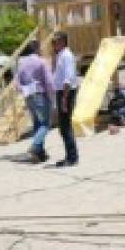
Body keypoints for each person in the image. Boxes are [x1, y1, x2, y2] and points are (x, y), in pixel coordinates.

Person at [15, 39, 53, 162]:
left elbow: (17, 83)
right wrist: (51, 94)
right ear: (37, 49)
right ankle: (35, 146)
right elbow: (48, 81)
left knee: (37, 123)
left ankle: (39, 153)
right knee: (45, 124)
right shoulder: (41, 62)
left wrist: (24, 89)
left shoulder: (22, 63)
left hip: (28, 96)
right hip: (40, 94)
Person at [50, 30, 80, 167]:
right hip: (61, 92)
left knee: (65, 126)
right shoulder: (60, 55)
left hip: (66, 92)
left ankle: (72, 157)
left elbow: (68, 79)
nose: (53, 45)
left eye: (54, 42)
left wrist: (64, 98)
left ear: (62, 42)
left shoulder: (67, 56)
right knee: (63, 127)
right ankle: (69, 155)